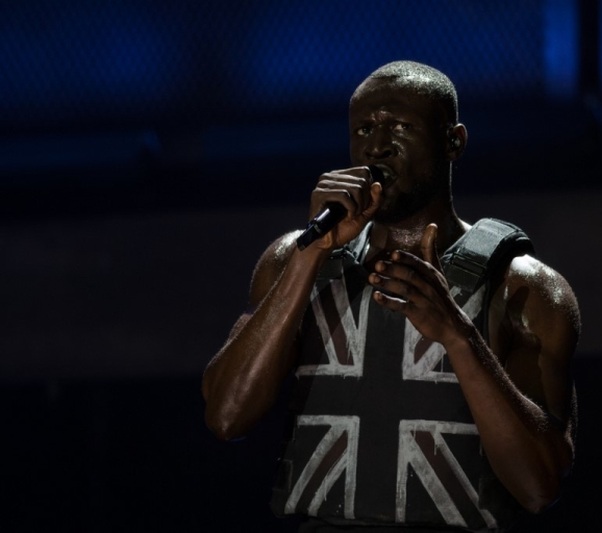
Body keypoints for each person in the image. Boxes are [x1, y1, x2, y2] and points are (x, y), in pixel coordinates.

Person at [202, 61, 581, 532]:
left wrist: (459, 335)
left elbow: (538, 485)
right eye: (363, 129)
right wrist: (310, 254)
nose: (377, 146)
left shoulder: (524, 286)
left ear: (454, 142)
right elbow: (226, 415)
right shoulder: (294, 260)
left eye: (401, 126)